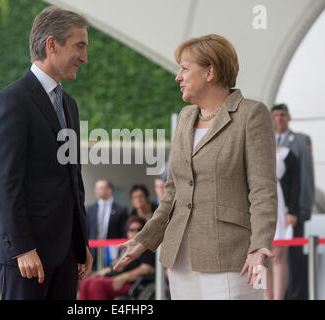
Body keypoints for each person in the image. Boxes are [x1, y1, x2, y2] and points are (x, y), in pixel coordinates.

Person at [114, 34, 278, 300]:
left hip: (231, 257)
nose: (178, 76)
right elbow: (172, 194)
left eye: (185, 68)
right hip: (180, 259)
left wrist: (259, 247)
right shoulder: (185, 117)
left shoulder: (251, 114)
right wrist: (144, 239)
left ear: (210, 71)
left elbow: (263, 191)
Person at [0, 6, 93, 300]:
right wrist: (22, 247)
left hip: (67, 253)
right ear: (52, 44)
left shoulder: (69, 105)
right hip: (27, 255)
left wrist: (80, 242)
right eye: (79, 46)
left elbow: (73, 179)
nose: (85, 57)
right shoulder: (10, 102)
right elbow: (4, 183)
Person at [271, 103, 315, 300]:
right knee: (272, 257)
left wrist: (299, 210)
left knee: (294, 258)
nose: (279, 119)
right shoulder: (263, 142)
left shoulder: (300, 141)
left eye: (283, 115)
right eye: (276, 115)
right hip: (271, 207)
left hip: (291, 209)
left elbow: (304, 178)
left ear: (288, 118)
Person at [79, 216, 155, 300]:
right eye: (132, 230)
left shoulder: (146, 248)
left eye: (139, 230)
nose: (135, 232)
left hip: (131, 283)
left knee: (96, 284)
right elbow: (114, 265)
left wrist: (124, 277)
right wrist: (101, 273)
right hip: (114, 277)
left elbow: (147, 269)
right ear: (127, 232)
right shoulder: (125, 248)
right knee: (86, 282)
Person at [265, 142, 300, 300]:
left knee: (278, 255)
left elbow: (295, 185)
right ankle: (267, 296)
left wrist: (292, 211)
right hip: (261, 206)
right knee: (263, 257)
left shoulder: (287, 154)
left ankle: (279, 297)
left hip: (281, 208)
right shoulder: (254, 150)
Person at [86, 179, 128, 269]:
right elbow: (87, 230)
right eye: (96, 188)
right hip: (93, 252)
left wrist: (120, 251)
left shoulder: (121, 209)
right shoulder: (90, 208)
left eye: (100, 188)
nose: (96, 190)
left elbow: (123, 232)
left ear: (109, 190)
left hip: (113, 253)